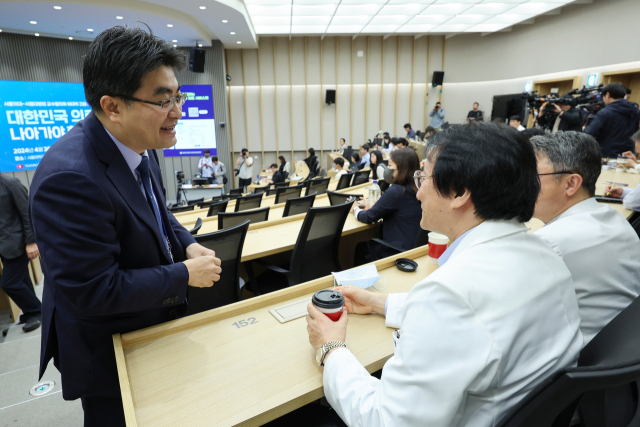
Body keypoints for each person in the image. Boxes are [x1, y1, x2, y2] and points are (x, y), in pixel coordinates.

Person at [305, 122, 582, 427]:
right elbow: (477, 321)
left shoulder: (450, 293)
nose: (419, 190)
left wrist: (330, 348)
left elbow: (385, 421)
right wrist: (378, 303)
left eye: (423, 176)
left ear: (460, 192)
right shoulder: (548, 255)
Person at [29, 27, 223, 427]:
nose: (177, 111)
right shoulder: (69, 178)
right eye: (162, 100)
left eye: (177, 96)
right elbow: (94, 291)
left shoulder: (137, 144)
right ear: (112, 106)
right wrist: (184, 274)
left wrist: (186, 244)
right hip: (108, 350)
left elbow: (158, 213)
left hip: (147, 327)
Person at [531, 131, 640, 345]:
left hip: (576, 362)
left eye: (532, 177)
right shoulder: (615, 219)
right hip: (619, 351)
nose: (522, 186)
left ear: (571, 184)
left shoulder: (548, 243)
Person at [352, 148, 422, 265]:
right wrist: (373, 206)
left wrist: (355, 209)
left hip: (396, 251)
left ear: (401, 168)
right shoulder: (417, 189)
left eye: (389, 165)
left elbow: (369, 217)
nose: (387, 169)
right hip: (413, 247)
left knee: (361, 248)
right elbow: (399, 208)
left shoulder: (396, 191)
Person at [0, 174, 42, 333]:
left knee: (9, 283)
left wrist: (31, 241)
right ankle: (31, 313)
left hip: (18, 243)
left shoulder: (10, 183)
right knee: (23, 280)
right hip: (5, 245)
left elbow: (27, 212)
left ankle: (37, 310)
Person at [585, 82, 640, 157]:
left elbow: (590, 133)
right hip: (628, 153)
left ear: (607, 95)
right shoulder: (635, 111)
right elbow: (636, 130)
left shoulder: (605, 112)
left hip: (607, 153)